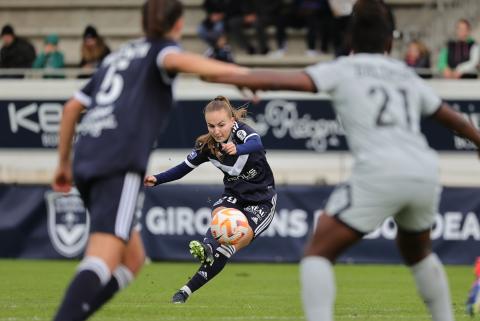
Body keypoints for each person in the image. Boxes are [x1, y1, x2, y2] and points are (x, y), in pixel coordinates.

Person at [205, 0, 480, 320]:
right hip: (424, 172)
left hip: (380, 172)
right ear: (390, 42)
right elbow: (455, 121)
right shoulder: (406, 75)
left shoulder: (343, 68)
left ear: (349, 40)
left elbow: (284, 81)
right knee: (418, 254)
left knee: (317, 255)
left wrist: (235, 76)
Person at [50, 0, 248, 320]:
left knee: (133, 259)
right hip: (119, 158)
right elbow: (189, 63)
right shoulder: (161, 52)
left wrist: (62, 164)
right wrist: (242, 75)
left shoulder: (118, 56)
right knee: (103, 257)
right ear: (179, 24)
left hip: (87, 155)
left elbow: (72, 108)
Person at [144, 96, 277, 304]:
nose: (216, 131)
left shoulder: (241, 133)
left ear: (232, 120)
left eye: (221, 124)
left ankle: (186, 290)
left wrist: (238, 149)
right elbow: (182, 169)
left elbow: (257, 142)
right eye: (211, 125)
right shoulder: (206, 145)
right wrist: (157, 179)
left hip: (261, 201)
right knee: (219, 215)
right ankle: (207, 247)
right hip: (234, 195)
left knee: (226, 247)